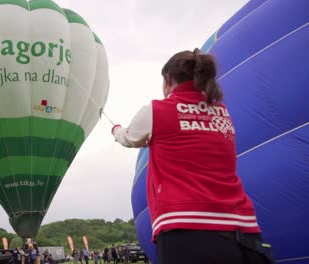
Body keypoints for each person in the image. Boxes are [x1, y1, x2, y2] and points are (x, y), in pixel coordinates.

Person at [111, 48, 275, 264]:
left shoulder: (157, 109)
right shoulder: (222, 112)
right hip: (243, 230)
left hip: (185, 229)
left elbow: (129, 138)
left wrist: (115, 130)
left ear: (168, 79)